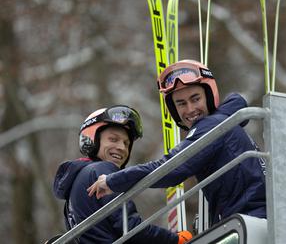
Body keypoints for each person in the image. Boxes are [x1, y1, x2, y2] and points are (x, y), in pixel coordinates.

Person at [87, 60, 267, 226]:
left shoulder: (211, 126)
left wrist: (113, 180)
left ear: (209, 96)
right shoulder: (222, 121)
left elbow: (170, 169)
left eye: (196, 99)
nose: (190, 109)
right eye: (181, 103)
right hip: (251, 219)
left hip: (250, 220)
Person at [52, 105, 192, 243]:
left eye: (126, 143)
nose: (121, 148)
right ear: (92, 140)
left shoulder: (78, 179)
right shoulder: (102, 171)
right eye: (113, 139)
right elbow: (131, 228)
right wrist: (175, 239)